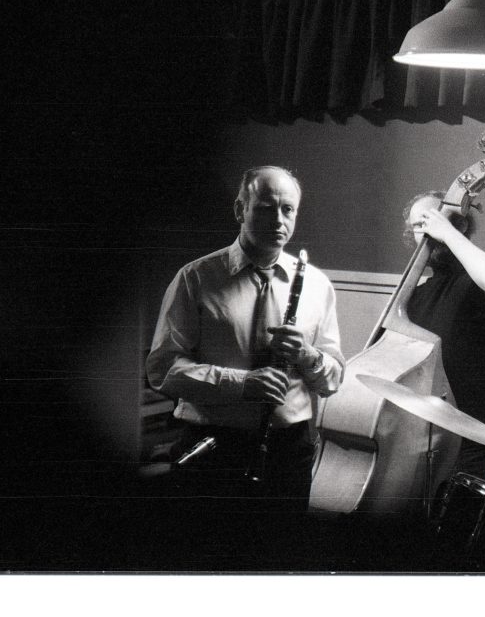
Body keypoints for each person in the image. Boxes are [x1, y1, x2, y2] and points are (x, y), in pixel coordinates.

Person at [146, 166, 344, 516]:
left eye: (288, 209)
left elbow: (332, 381)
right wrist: (242, 384)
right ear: (241, 210)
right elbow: (162, 370)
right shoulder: (195, 278)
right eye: (266, 208)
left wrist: (307, 355)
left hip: (289, 450)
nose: (279, 220)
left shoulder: (317, 285)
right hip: (214, 445)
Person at [403, 191, 485, 481]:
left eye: (433, 219)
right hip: (419, 435)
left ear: (460, 224)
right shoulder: (412, 297)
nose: (427, 230)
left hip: (471, 435)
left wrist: (446, 233)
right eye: (418, 225)